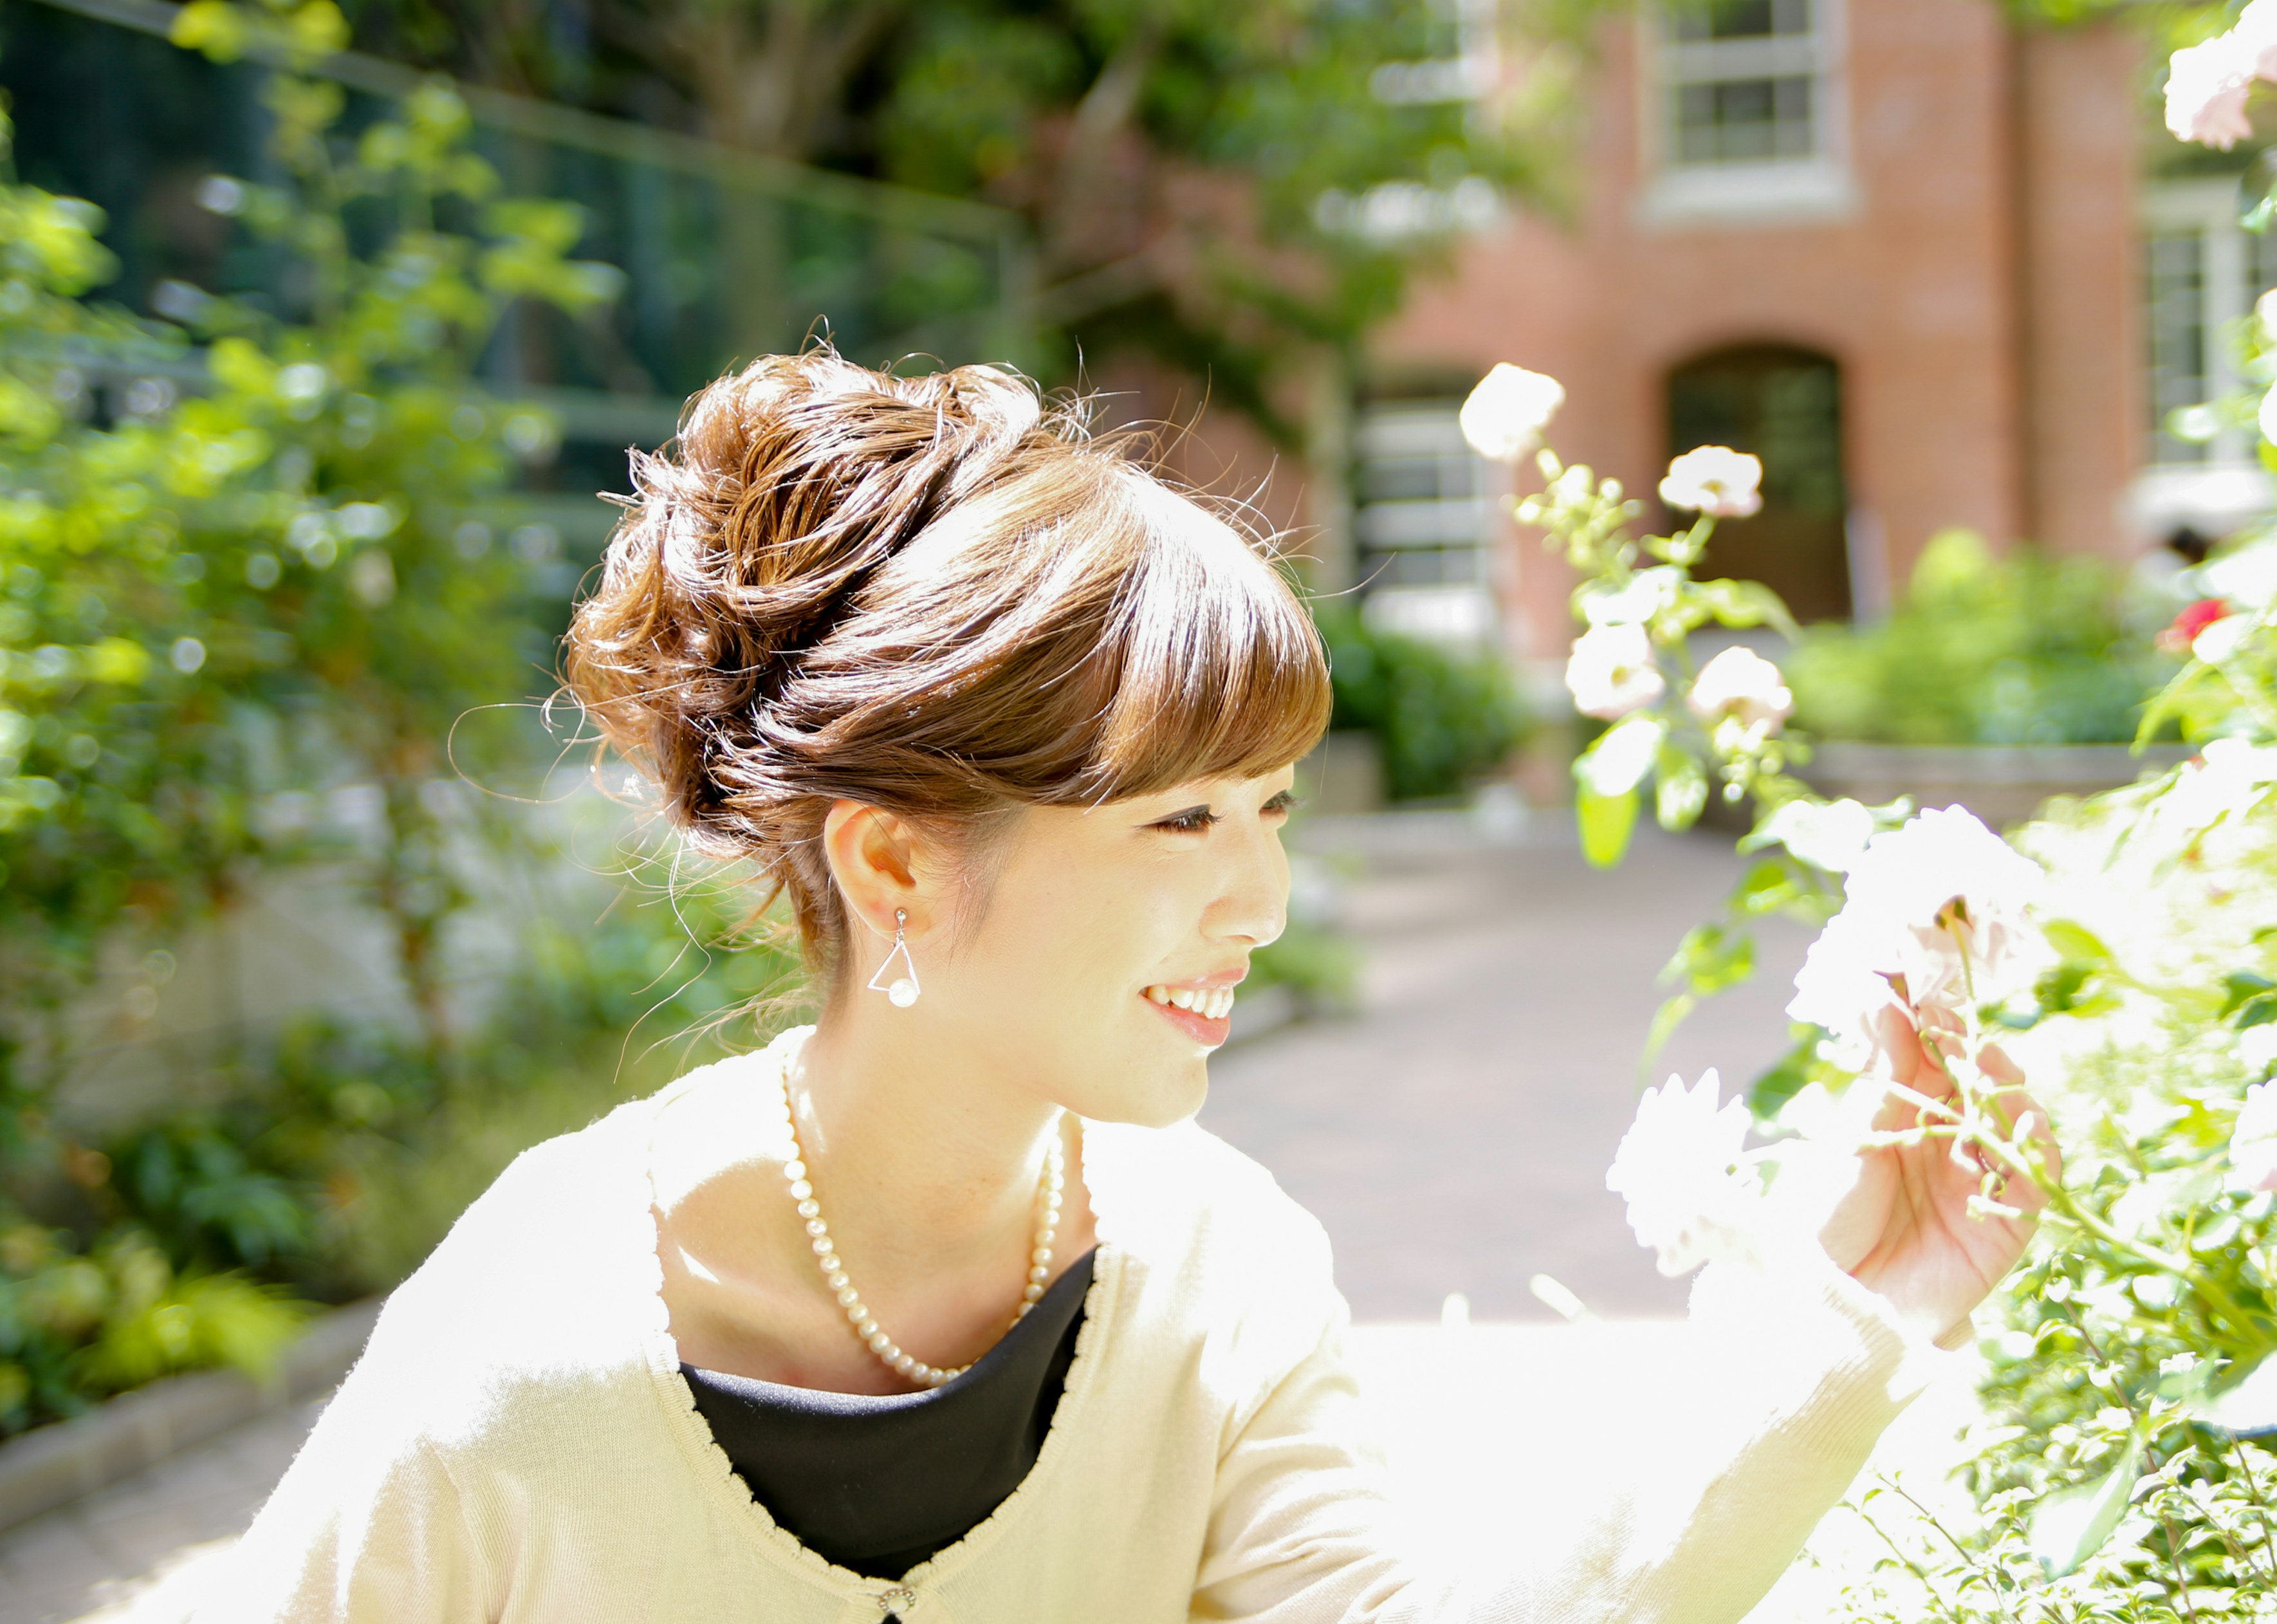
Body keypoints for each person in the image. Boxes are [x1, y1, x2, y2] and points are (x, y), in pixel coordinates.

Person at [197, 349, 2043, 1623]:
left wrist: (1837, 1313)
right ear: (899, 862)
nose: (1259, 893)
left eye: (1274, 809)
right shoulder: (529, 1354)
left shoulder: (1213, 1273)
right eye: (1177, 822)